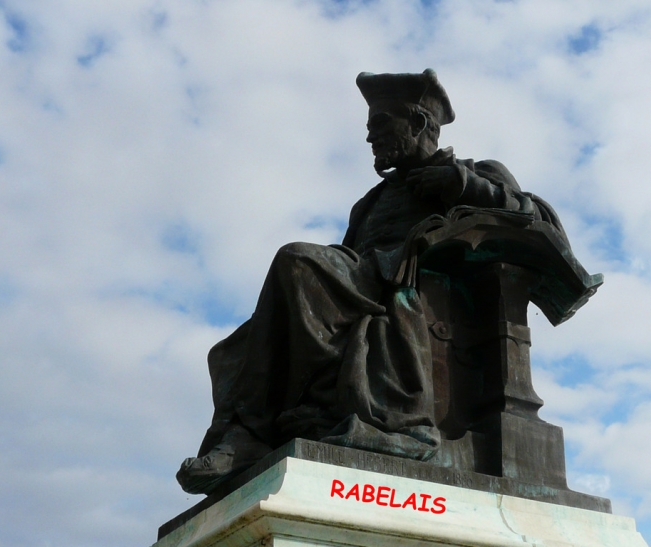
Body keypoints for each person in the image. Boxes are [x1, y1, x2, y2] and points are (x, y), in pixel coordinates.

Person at [176, 69, 566, 495]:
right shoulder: (371, 202)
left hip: (409, 294)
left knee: (297, 261)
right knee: (239, 344)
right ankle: (253, 433)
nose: (369, 139)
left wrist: (463, 184)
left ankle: (247, 434)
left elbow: (542, 224)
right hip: (363, 283)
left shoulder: (476, 172)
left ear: (418, 123)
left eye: (380, 124)